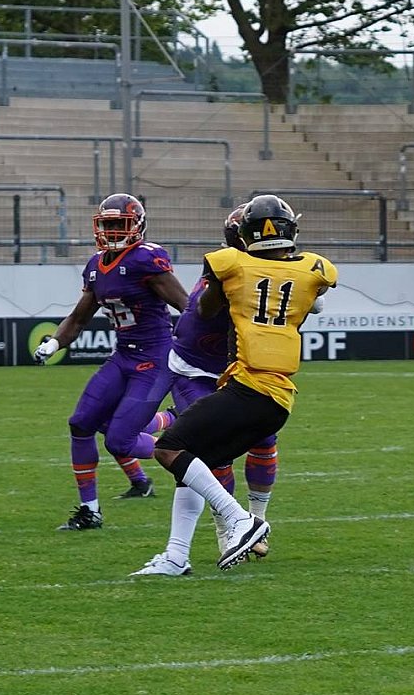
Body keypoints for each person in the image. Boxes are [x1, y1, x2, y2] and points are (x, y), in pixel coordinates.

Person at [134, 195, 336, 575]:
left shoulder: (232, 265)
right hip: (267, 392)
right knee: (195, 456)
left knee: (170, 449)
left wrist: (225, 279)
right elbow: (312, 286)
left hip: (249, 387)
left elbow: (207, 307)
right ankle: (177, 556)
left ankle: (242, 520)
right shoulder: (311, 269)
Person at [33, 194, 188, 530]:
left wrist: (201, 353)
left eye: (120, 223)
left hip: (154, 358)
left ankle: (186, 451)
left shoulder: (147, 258)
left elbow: (186, 307)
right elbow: (78, 318)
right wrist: (54, 342)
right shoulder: (95, 266)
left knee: (119, 440)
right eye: (108, 224)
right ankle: (90, 511)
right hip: (124, 356)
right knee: (82, 423)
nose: (113, 231)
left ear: (137, 225)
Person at [140, 207, 283, 559]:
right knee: (211, 451)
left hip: (240, 372)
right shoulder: (229, 269)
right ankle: (227, 528)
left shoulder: (273, 271)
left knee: (264, 440)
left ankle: (256, 519)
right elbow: (206, 310)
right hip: (196, 371)